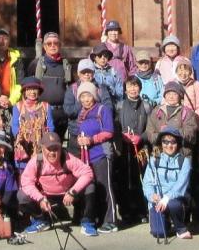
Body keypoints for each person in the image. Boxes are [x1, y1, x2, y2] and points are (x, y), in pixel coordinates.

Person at [18, 132, 98, 237]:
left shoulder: (68, 158)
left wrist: (72, 192)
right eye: (49, 149)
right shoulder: (36, 161)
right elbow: (26, 183)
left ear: (60, 148)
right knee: (22, 195)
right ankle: (41, 220)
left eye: (56, 149)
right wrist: (40, 199)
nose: (52, 153)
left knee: (90, 186)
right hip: (46, 196)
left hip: (68, 194)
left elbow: (88, 173)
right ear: (42, 148)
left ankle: (87, 221)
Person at [68, 81, 118, 234]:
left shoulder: (102, 110)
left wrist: (91, 140)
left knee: (106, 187)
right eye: (82, 96)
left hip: (102, 154)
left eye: (88, 95)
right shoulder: (82, 114)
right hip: (87, 157)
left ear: (94, 96)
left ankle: (111, 221)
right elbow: (81, 132)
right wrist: (80, 140)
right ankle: (99, 219)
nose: (85, 99)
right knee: (95, 188)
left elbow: (109, 131)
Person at [141, 126, 193, 240]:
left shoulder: (184, 162)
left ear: (178, 143)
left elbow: (180, 186)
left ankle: (180, 228)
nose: (169, 145)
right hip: (158, 202)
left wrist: (166, 198)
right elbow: (147, 183)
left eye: (173, 142)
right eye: (165, 142)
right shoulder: (154, 160)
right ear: (161, 143)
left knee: (173, 204)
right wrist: (152, 196)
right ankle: (166, 222)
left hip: (176, 200)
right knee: (158, 233)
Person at [116, 75, 153, 224]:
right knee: (125, 179)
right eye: (130, 86)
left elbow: (151, 128)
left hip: (142, 148)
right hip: (124, 148)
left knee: (142, 178)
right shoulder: (119, 106)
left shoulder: (146, 106)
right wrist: (122, 135)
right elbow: (115, 125)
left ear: (140, 88)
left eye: (135, 86)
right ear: (125, 90)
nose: (133, 89)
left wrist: (141, 137)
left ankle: (142, 211)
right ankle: (126, 212)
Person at [25, 32, 72, 140]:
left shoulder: (66, 65)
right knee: (41, 143)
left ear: (60, 45)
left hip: (61, 114)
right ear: (44, 47)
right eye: (49, 43)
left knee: (57, 144)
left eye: (55, 43)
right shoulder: (36, 64)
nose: (52, 46)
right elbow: (27, 87)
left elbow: (71, 87)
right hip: (41, 113)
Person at [11, 77, 54, 170]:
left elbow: (50, 126)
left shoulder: (46, 106)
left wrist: (48, 138)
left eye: (35, 89)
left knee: (40, 171)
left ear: (39, 91)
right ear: (24, 91)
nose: (32, 92)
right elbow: (14, 125)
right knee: (23, 173)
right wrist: (18, 135)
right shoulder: (18, 106)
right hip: (24, 145)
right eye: (29, 89)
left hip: (41, 145)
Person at [145, 82, 199, 156]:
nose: (171, 97)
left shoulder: (187, 112)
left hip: (181, 154)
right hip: (160, 154)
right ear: (165, 96)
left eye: (174, 94)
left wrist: (173, 132)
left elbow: (191, 134)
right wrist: (162, 135)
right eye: (168, 94)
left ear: (180, 96)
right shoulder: (156, 111)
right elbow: (149, 133)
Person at [174, 57, 199, 122]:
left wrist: (194, 119)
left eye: (186, 70)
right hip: (175, 119)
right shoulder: (172, 84)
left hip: (191, 119)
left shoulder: (196, 84)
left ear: (190, 72)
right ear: (176, 71)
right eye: (180, 70)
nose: (183, 73)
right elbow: (165, 103)